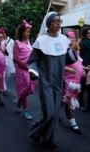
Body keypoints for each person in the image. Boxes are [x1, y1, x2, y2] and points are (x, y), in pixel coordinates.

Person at [27, 11, 71, 151]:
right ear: (49, 23)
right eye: (55, 21)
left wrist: (72, 50)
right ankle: (36, 131)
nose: (58, 23)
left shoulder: (64, 40)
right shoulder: (41, 41)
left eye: (60, 21)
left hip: (59, 82)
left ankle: (50, 139)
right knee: (50, 113)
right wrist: (33, 72)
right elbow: (33, 61)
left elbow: (69, 60)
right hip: (46, 81)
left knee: (56, 114)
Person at [62, 31, 85, 134]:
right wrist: (68, 69)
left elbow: (78, 64)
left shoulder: (76, 51)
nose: (73, 39)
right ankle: (73, 123)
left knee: (64, 101)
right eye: (70, 38)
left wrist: (85, 68)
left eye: (74, 38)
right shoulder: (63, 51)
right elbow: (59, 65)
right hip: (67, 81)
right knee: (68, 101)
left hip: (76, 82)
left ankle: (53, 115)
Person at [13, 20, 35, 120]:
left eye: (29, 32)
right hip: (22, 70)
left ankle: (18, 100)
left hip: (30, 70)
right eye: (27, 31)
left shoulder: (29, 42)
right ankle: (26, 110)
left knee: (30, 89)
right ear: (22, 32)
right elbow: (16, 58)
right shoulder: (16, 43)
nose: (28, 33)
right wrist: (26, 67)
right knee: (25, 88)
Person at [78, 26, 90, 112]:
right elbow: (79, 56)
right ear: (85, 34)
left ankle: (89, 104)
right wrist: (82, 66)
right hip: (84, 66)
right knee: (83, 85)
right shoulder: (81, 43)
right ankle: (81, 103)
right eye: (88, 33)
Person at [1, 27, 15, 96]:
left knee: (7, 75)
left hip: (9, 60)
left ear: (6, 33)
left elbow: (14, 51)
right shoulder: (0, 40)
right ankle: (4, 89)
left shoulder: (11, 41)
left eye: (3, 33)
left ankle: (4, 85)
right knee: (2, 75)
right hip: (1, 60)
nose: (2, 34)